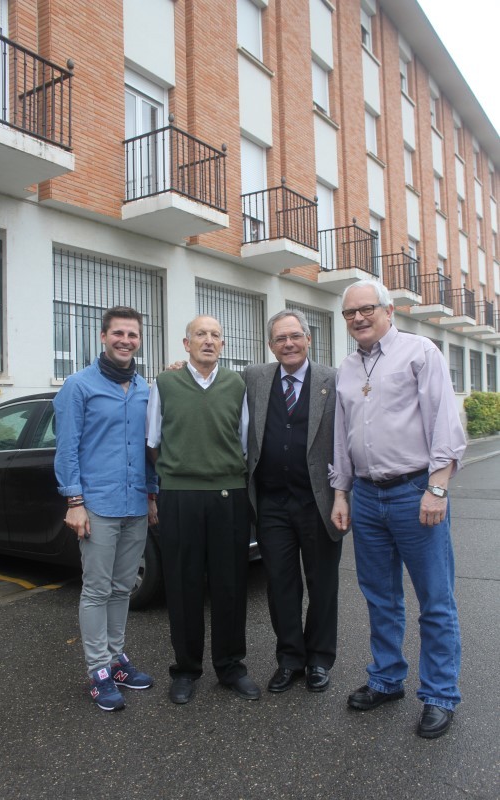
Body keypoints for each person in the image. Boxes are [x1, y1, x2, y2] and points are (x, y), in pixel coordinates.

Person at [330, 279, 467, 739]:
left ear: (389, 310)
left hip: (415, 493)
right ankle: (387, 680)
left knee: (435, 599)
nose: (358, 318)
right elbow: (341, 438)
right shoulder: (346, 368)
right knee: (380, 597)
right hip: (366, 498)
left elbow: (445, 422)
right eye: (350, 313)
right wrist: (340, 494)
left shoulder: (420, 352)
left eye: (366, 309)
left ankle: (440, 694)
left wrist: (438, 488)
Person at [146, 315, 260, 704]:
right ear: (186, 343)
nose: (208, 340)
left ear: (222, 345)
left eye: (215, 335)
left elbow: (244, 442)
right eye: (200, 335)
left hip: (229, 494)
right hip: (179, 496)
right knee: (183, 584)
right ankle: (186, 670)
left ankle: (231, 667)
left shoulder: (236, 384)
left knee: (230, 584)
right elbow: (153, 440)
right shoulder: (164, 383)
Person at [54, 306, 158, 712]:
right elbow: (67, 448)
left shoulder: (145, 389)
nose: (126, 341)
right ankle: (97, 669)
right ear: (103, 336)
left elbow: (150, 449)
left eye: (133, 335)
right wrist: (74, 502)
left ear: (139, 340)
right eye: (118, 333)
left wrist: (151, 496)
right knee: (97, 590)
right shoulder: (79, 386)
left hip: (135, 503)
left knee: (121, 587)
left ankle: (116, 659)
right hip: (96, 504)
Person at [244, 309, 347, 694]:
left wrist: (344, 495)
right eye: (280, 339)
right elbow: (214, 384)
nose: (288, 344)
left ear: (308, 339)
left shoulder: (332, 380)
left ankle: (319, 659)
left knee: (322, 584)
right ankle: (290, 659)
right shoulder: (255, 377)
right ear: (271, 345)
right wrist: (178, 367)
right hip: (271, 503)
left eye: (295, 336)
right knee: (280, 585)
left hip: (318, 502)